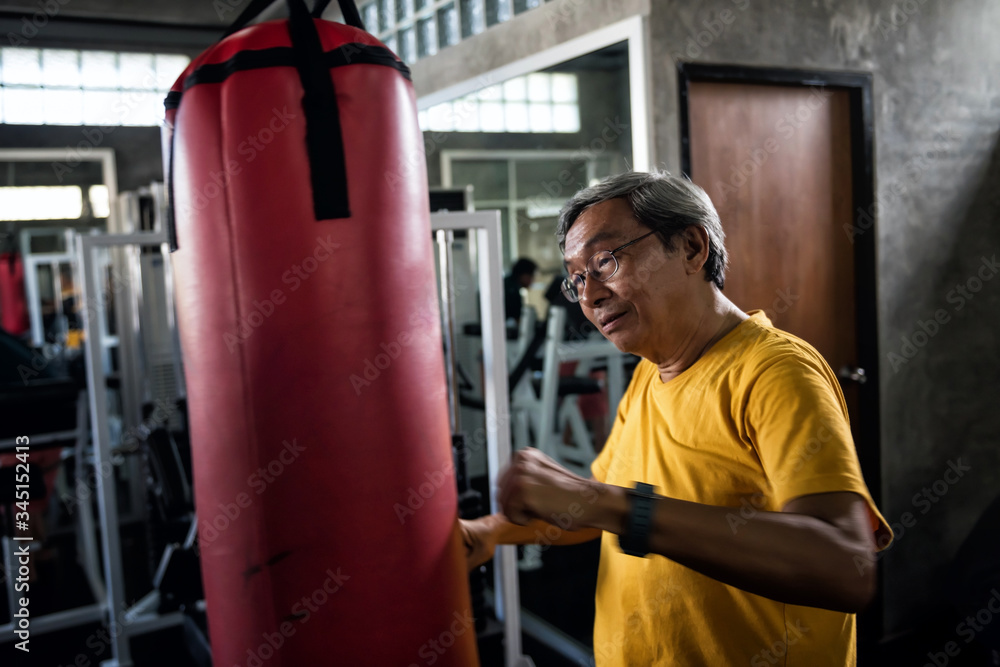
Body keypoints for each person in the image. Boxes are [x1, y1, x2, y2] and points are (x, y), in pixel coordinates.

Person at [461, 170, 892, 666]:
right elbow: (593, 509)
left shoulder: (774, 372)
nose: (590, 295)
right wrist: (490, 531)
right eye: (577, 278)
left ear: (690, 247)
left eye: (606, 260)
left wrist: (609, 505)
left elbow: (845, 567)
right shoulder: (650, 374)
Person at [503, 257, 537, 327]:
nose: (532, 280)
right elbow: (518, 319)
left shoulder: (507, 283)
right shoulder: (512, 290)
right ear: (524, 275)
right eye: (532, 276)